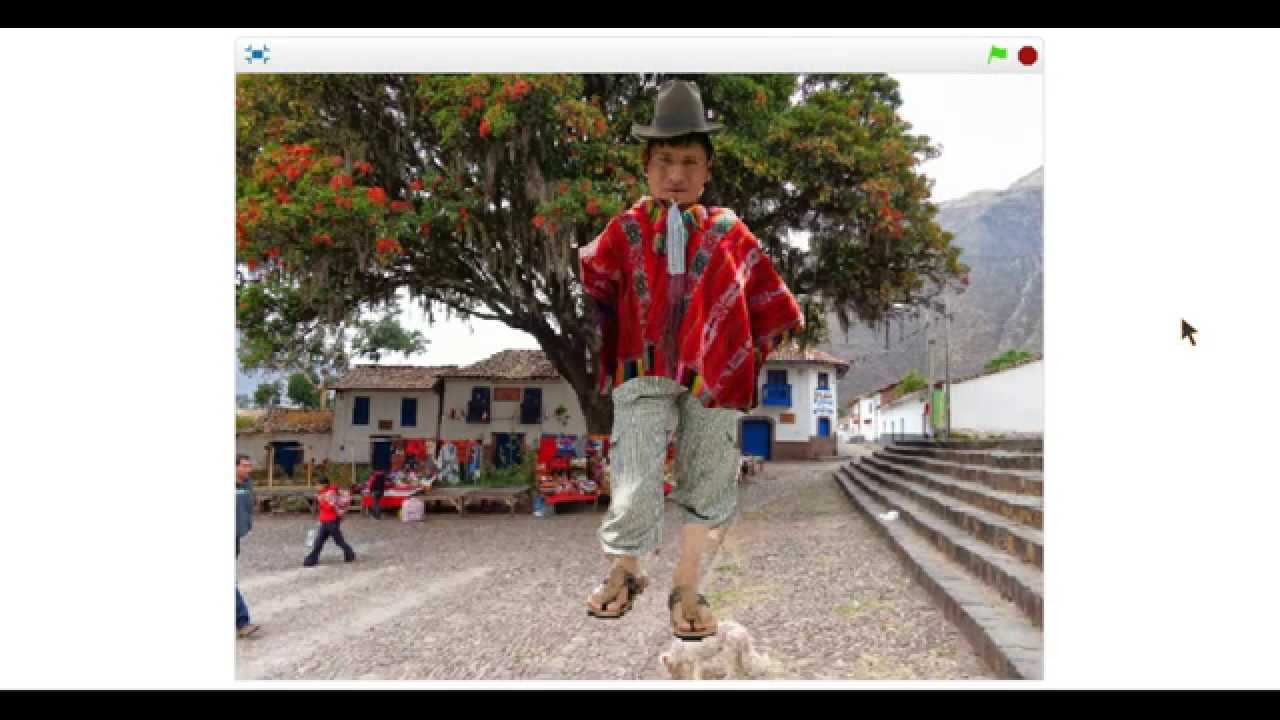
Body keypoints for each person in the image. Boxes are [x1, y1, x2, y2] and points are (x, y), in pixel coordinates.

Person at [578, 80, 804, 639]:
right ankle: (625, 571)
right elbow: (598, 280)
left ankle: (687, 585)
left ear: (707, 172)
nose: (675, 174)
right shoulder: (626, 228)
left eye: (688, 162)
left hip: (712, 372)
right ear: (646, 167)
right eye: (663, 161)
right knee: (633, 470)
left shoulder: (728, 230)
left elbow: (764, 299)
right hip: (642, 366)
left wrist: (736, 348)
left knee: (709, 476)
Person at [304, 481, 357, 566]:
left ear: (324, 484)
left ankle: (350, 553)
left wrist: (321, 501)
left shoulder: (331, 494)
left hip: (332, 521)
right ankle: (312, 559)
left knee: (338, 541)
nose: (316, 487)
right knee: (319, 541)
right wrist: (319, 499)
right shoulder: (324, 493)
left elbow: (330, 507)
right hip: (325, 521)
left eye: (318, 485)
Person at [235, 454, 259, 638]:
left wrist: (247, 524)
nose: (248, 469)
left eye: (249, 466)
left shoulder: (247, 485)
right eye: (244, 466)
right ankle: (242, 621)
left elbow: (251, 505)